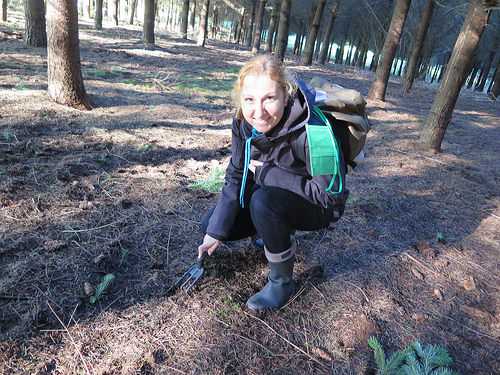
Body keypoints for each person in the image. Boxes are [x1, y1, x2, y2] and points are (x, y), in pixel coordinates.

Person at [198, 54, 348, 312]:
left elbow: (328, 197)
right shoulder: (243, 123)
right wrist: (216, 231)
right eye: (249, 100)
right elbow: (236, 173)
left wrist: (269, 174)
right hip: (274, 199)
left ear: (285, 94)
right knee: (211, 223)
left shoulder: (315, 132)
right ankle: (271, 233)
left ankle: (281, 282)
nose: (259, 112)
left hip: (318, 207)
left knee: (263, 201)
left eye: (269, 98)